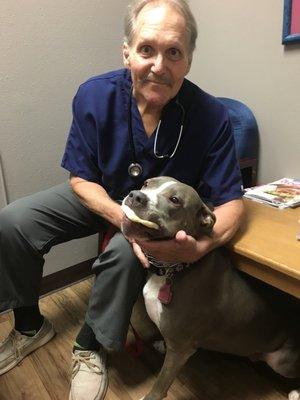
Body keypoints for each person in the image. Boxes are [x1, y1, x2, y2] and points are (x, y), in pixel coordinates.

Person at [0, 0, 245, 399]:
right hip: (99, 196)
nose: (159, 65)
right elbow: (80, 177)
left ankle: (89, 346)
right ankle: (29, 325)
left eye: (174, 53)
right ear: (127, 51)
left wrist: (199, 249)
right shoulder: (94, 96)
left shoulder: (211, 116)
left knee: (124, 254)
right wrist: (122, 219)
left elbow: (233, 204)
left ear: (188, 61)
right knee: (13, 221)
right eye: (147, 49)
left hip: (160, 220)